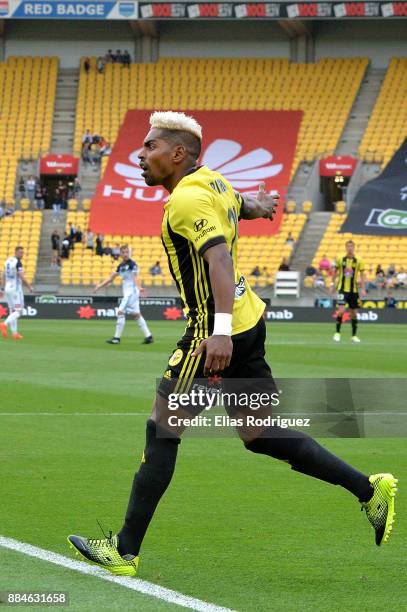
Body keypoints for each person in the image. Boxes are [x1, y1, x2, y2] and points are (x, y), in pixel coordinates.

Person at [67, 111, 398, 577]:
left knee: (162, 428)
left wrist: (218, 331)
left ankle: (124, 550)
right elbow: (231, 200)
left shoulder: (184, 202)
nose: (140, 155)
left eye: (150, 147)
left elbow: (219, 260)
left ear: (177, 153)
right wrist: (256, 205)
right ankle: (369, 490)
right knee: (258, 434)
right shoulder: (212, 182)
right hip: (250, 319)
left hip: (213, 334)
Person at [93, 245, 153, 346]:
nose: (125, 254)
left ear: (129, 253)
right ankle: (149, 336)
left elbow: (135, 277)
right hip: (129, 293)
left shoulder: (132, 264)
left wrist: (139, 287)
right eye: (123, 252)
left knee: (120, 312)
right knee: (136, 315)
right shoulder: (120, 266)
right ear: (120, 254)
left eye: (127, 252)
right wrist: (99, 286)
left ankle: (116, 338)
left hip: (131, 293)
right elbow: (110, 278)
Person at [331, 240, 366, 343]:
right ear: (345, 247)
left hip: (353, 290)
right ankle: (337, 333)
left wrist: (363, 288)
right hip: (342, 289)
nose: (350, 248)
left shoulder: (359, 260)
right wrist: (333, 284)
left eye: (351, 246)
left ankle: (354, 335)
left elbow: (363, 275)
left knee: (354, 314)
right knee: (341, 310)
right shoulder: (340, 259)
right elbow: (335, 272)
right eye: (348, 246)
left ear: (354, 247)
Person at [0, 246, 33, 340]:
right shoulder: (18, 263)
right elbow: (22, 276)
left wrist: (2, 289)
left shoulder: (8, 261)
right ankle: (4, 324)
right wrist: (29, 286)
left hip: (7, 288)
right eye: (20, 252)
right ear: (16, 252)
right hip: (15, 290)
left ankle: (14, 333)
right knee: (19, 311)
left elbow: (3, 275)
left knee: (12, 311)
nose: (21, 254)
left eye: (22, 252)